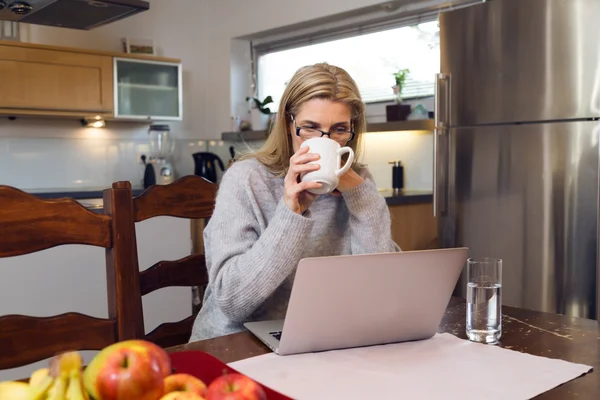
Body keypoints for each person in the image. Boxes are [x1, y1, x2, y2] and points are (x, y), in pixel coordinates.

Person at [189, 62, 401, 342]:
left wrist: (362, 196)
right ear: (288, 124)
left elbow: (379, 291)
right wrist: (291, 211)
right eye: (310, 127)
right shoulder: (246, 179)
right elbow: (233, 301)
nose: (325, 141)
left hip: (319, 340)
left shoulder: (358, 184)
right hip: (235, 343)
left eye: (339, 129)